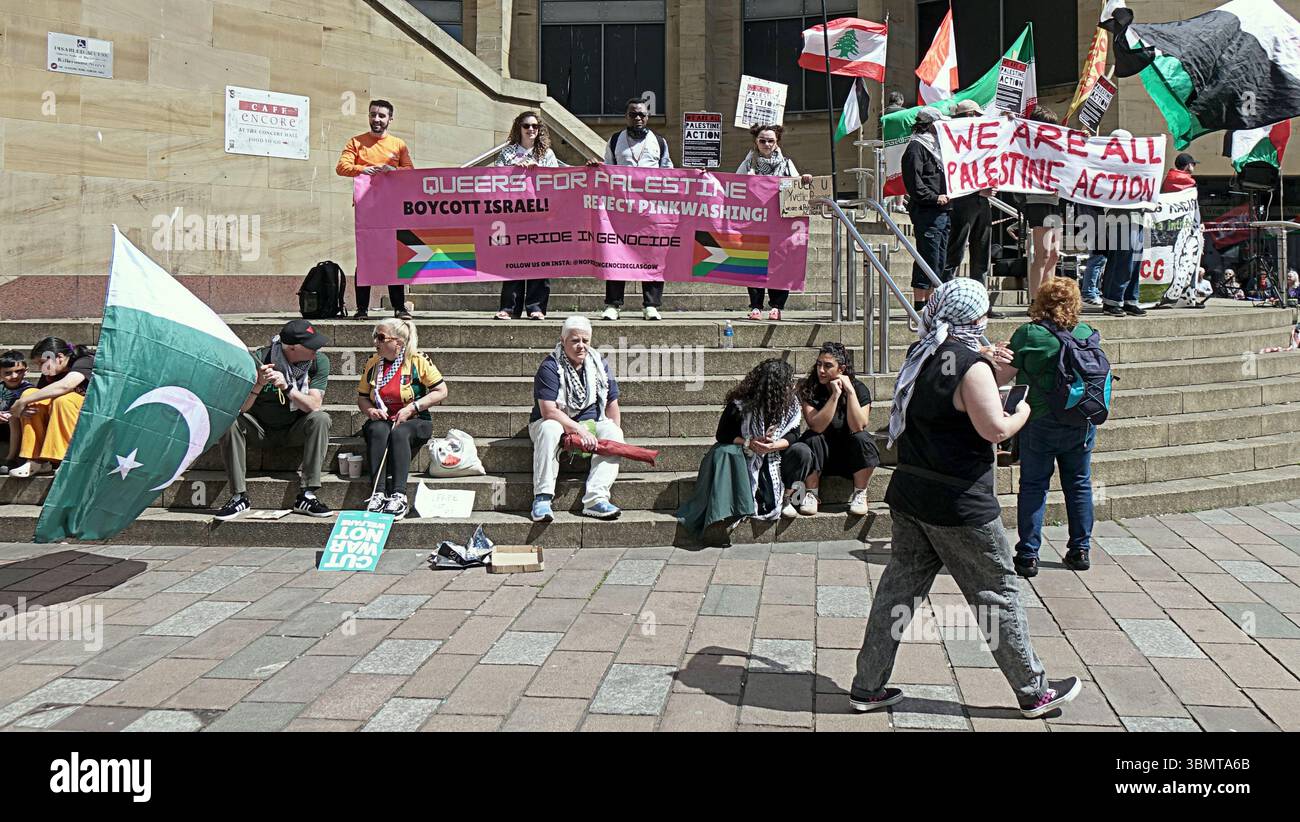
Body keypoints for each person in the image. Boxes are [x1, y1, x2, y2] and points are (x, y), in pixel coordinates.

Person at [850, 278, 1081, 719]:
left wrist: (986, 363)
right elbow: (994, 429)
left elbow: (950, 392)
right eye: (984, 312)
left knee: (897, 594)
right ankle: (1035, 692)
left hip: (911, 492)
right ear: (972, 318)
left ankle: (868, 685)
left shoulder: (924, 355)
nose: (988, 318)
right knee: (997, 594)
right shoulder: (969, 364)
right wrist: (1022, 412)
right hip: (959, 503)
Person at [999, 278, 1098, 577]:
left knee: (1033, 485)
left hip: (1039, 420)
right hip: (1081, 419)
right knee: (1079, 484)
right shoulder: (1086, 332)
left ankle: (1028, 555)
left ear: (1040, 302)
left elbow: (1001, 377)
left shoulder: (1029, 333)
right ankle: (1080, 550)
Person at [214, 320, 332, 520]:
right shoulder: (260, 359)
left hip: (295, 429)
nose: (317, 348)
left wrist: (287, 387)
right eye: (311, 344)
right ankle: (239, 496)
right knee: (230, 420)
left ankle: (307, 494)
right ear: (293, 348)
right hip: (260, 429)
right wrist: (259, 384)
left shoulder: (319, 362)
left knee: (321, 419)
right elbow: (242, 408)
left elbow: (313, 405)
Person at [676, 359, 803, 535]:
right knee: (726, 452)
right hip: (746, 452)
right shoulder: (741, 403)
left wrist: (773, 445)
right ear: (775, 387)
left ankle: (788, 498)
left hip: (774, 454)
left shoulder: (791, 404)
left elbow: (794, 434)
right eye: (788, 382)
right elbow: (723, 434)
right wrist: (749, 442)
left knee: (802, 451)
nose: (792, 385)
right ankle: (729, 509)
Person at [528, 316, 624, 521]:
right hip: (554, 422)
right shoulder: (550, 366)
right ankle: (542, 498)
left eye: (585, 341)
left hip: (591, 422)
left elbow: (611, 403)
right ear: (563, 341)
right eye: (575, 341)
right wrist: (580, 430)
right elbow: (548, 411)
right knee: (549, 428)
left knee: (614, 432)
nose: (581, 346)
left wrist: (614, 443)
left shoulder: (600, 364)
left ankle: (595, 499)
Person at [356, 318, 448, 518]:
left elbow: (441, 391)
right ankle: (378, 493)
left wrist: (412, 408)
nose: (375, 342)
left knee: (399, 432)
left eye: (380, 338)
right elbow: (362, 398)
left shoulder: (417, 359)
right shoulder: (373, 363)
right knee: (377, 429)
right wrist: (371, 411)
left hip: (416, 420)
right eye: (375, 337)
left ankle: (399, 495)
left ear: (398, 342)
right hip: (383, 418)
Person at [594, 98, 673, 321]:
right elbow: (606, 170)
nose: (637, 118)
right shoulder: (615, 140)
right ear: (626, 116)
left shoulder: (660, 141)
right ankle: (613, 304)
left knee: (653, 254)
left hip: (651, 210)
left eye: (642, 114)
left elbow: (669, 174)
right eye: (632, 114)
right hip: (621, 210)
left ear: (648, 116)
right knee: (615, 255)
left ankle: (651, 305)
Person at [337, 99, 414, 320]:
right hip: (367, 210)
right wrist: (366, 169)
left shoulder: (398, 144)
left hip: (392, 209)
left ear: (390, 119)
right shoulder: (356, 142)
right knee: (366, 258)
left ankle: (399, 307)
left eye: (381, 116)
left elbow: (410, 171)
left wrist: (394, 170)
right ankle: (362, 309)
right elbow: (342, 167)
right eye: (373, 115)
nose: (376, 119)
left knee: (395, 257)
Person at [784, 342, 879, 517]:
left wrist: (849, 392)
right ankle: (812, 494)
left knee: (863, 439)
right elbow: (816, 425)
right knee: (812, 437)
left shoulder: (859, 389)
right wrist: (835, 396)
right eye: (819, 364)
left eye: (828, 366)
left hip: (850, 457)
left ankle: (860, 493)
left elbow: (858, 426)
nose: (821, 370)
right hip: (820, 456)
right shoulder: (810, 389)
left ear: (841, 368)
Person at [736, 124, 813, 321]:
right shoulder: (747, 164)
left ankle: (777, 306)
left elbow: (798, 184)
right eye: (762, 140)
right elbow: (733, 186)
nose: (767, 144)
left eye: (771, 140)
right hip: (754, 224)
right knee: (754, 264)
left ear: (777, 142)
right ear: (756, 141)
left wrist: (804, 179)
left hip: (780, 224)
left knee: (781, 263)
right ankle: (755, 306)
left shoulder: (786, 163)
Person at [494, 111, 560, 321]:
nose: (531, 129)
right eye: (526, 126)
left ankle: (536, 307)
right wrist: (514, 170)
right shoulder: (507, 153)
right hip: (514, 213)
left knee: (540, 261)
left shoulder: (546, 154)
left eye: (535, 126)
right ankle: (509, 307)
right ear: (519, 128)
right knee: (513, 261)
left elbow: (557, 181)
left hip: (540, 214)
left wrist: (539, 170)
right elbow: (495, 179)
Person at [944, 100, 1001, 316]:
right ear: (967, 116)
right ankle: (947, 299)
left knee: (982, 252)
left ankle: (981, 303)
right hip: (963, 200)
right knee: (956, 251)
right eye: (976, 115)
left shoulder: (978, 139)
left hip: (981, 200)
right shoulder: (953, 139)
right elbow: (955, 172)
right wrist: (978, 191)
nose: (979, 119)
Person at [4, 340, 84, 479]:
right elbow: (39, 399)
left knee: (63, 400)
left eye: (42, 363)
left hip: (90, 415)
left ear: (59, 357)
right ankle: (36, 460)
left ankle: (64, 461)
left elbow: (65, 386)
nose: (41, 368)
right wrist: (25, 407)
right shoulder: (49, 372)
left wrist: (22, 402)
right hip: (59, 417)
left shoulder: (84, 362)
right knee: (30, 394)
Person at [902, 107, 951, 312]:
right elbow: (913, 182)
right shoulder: (916, 147)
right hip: (927, 209)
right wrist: (933, 197)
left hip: (944, 209)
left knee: (939, 256)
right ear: (930, 124)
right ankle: (920, 303)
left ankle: (932, 302)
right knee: (927, 255)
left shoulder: (939, 147)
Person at [1020, 106, 1064, 302]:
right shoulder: (1028, 144)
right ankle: (1036, 299)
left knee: (1054, 253)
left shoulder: (1054, 145)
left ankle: (1047, 298)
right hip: (1037, 201)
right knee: (1043, 253)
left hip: (1055, 200)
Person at [0, 350, 34, 475]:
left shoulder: (29, 390)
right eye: (8, 373)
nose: (14, 376)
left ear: (26, 371)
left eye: (18, 371)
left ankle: (11, 459)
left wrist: (15, 414)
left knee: (13, 419)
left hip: (17, 429)